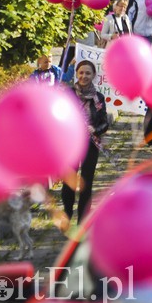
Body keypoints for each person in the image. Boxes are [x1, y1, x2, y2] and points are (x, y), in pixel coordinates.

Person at [61, 60, 109, 227]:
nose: (84, 76)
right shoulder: (68, 94)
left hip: (90, 144)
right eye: (81, 73)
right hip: (69, 145)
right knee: (69, 182)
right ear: (77, 74)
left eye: (88, 73)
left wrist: (94, 129)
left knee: (86, 183)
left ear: (93, 76)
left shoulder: (98, 97)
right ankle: (67, 212)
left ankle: (83, 221)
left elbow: (105, 123)